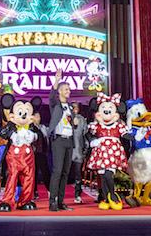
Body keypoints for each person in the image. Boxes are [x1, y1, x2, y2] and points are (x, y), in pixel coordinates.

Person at [47, 69, 78, 212]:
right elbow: (52, 96)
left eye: (69, 89)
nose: (69, 91)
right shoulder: (55, 104)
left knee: (66, 172)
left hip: (69, 141)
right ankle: (52, 202)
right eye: (66, 89)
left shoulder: (70, 107)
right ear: (60, 91)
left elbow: (69, 121)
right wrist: (57, 80)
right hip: (58, 140)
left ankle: (61, 201)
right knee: (57, 171)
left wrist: (75, 123)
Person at [71, 102, 88, 204]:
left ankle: (77, 195)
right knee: (63, 175)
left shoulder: (82, 120)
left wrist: (85, 152)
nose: (75, 109)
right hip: (67, 153)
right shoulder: (66, 120)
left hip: (78, 152)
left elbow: (85, 137)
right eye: (73, 107)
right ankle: (59, 196)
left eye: (76, 107)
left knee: (78, 176)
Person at [31, 111, 51, 199]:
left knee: (46, 172)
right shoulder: (30, 128)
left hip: (42, 153)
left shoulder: (42, 127)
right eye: (37, 117)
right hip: (33, 154)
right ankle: (34, 192)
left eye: (39, 117)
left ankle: (50, 191)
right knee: (33, 174)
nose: (39, 118)